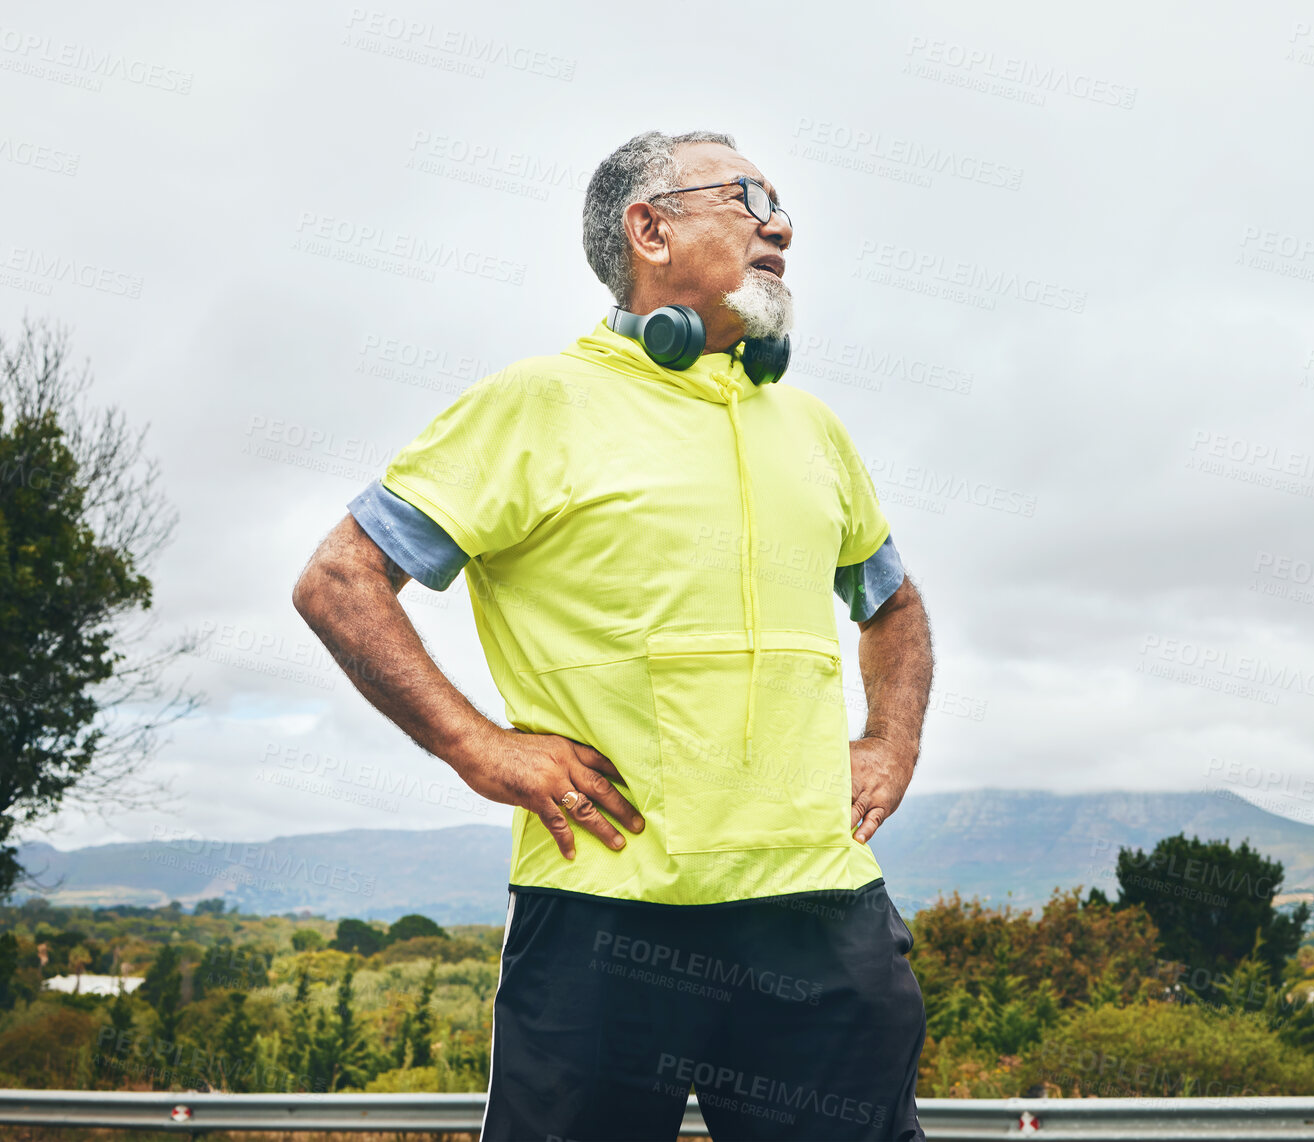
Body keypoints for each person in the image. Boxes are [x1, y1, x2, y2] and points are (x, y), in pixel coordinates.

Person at [292, 129, 935, 1141]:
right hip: (605, 910)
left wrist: (890, 739)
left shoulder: (810, 425)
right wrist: (477, 744)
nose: (781, 222)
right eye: (747, 194)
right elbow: (339, 579)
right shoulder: (534, 402)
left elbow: (892, 604)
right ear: (651, 228)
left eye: (779, 200)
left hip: (822, 912)